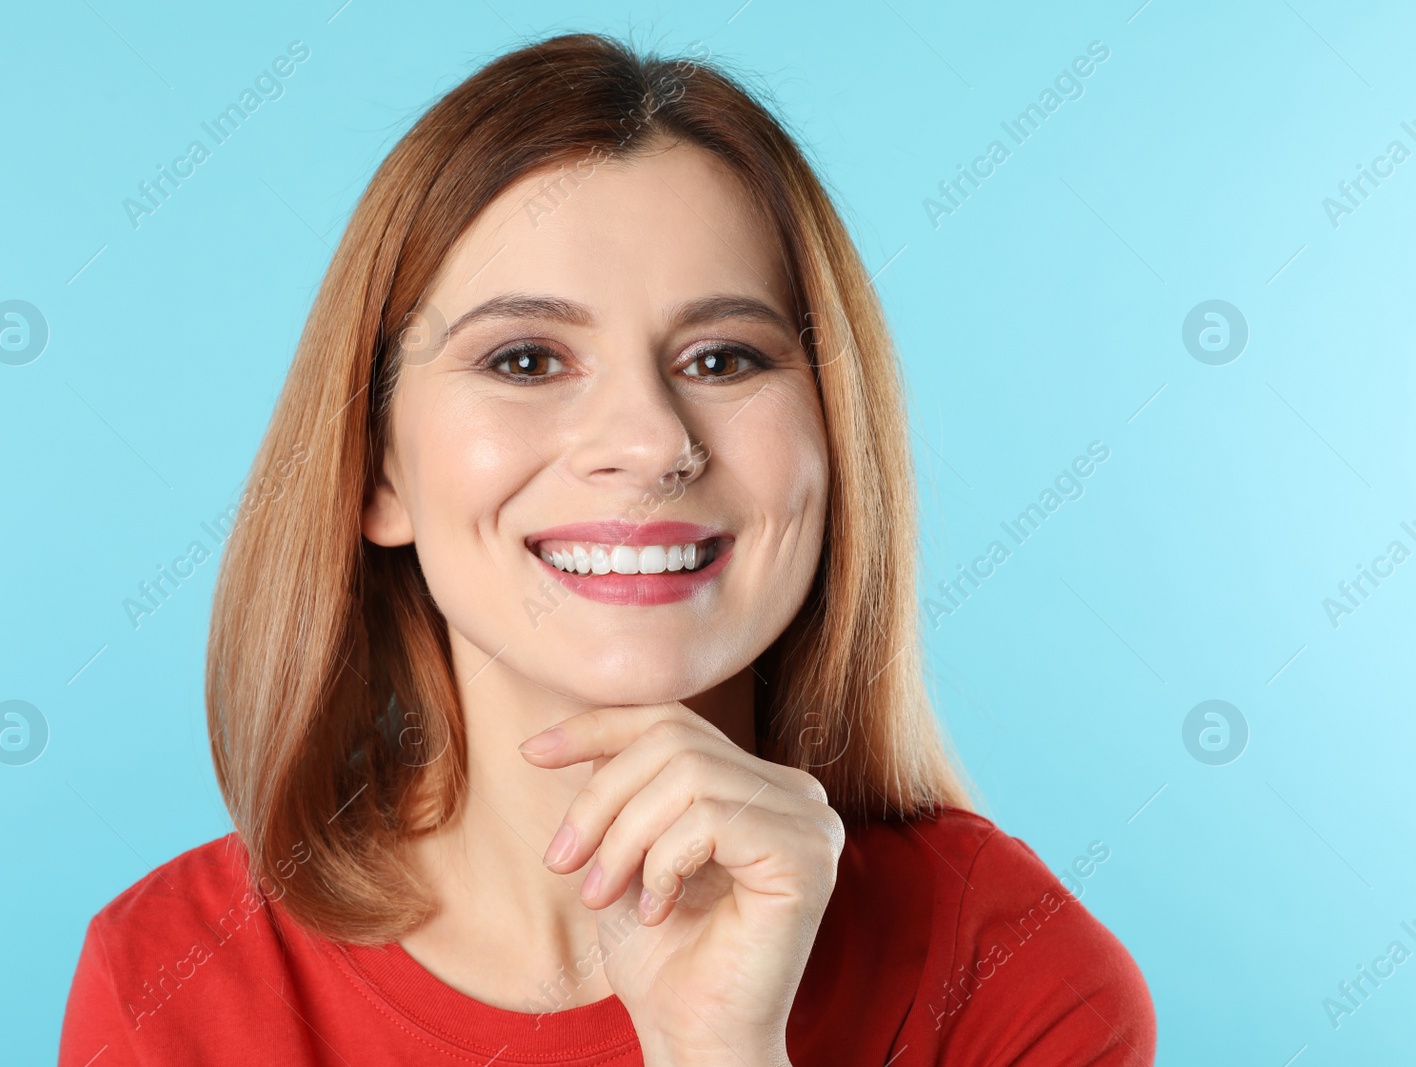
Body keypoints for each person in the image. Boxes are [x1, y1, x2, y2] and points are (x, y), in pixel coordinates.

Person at [59, 32, 1155, 1066]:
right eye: (528, 359)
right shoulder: (168, 979)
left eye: (724, 359)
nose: (648, 443)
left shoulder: (1015, 976)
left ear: (833, 445)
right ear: (378, 470)